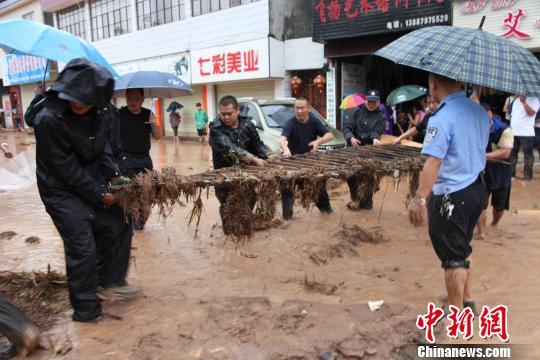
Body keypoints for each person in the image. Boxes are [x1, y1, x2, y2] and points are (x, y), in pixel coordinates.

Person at [25, 58, 138, 323]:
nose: (79, 104)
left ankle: (109, 284)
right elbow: (67, 170)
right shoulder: (48, 118)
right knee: (82, 246)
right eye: (74, 98)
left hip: (92, 178)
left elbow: (103, 148)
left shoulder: (102, 112)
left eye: (86, 101)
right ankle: (87, 312)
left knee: (120, 220)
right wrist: (101, 194)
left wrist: (115, 175)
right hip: (60, 189)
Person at [408, 73, 489, 311]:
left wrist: (420, 198)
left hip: (452, 195)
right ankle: (467, 299)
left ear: (433, 84)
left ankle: (455, 315)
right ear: (458, 82)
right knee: (462, 246)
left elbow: (434, 161)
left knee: (452, 259)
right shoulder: (479, 112)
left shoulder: (441, 117)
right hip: (478, 189)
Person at [209, 95, 271, 234]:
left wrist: (268, 154)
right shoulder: (215, 128)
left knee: (249, 202)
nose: (225, 117)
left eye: (229, 114)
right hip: (224, 175)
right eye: (222, 114)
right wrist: (253, 159)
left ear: (237, 111)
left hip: (247, 174)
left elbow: (257, 144)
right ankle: (230, 237)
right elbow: (229, 148)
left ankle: (245, 234)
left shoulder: (247, 124)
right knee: (227, 206)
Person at [279, 97, 334, 219]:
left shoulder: (313, 121)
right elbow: (282, 139)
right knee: (287, 190)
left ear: (308, 108)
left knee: (319, 191)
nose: (299, 111)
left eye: (302, 108)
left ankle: (327, 215)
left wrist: (318, 142)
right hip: (292, 164)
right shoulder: (290, 123)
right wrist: (286, 149)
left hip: (310, 163)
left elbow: (330, 135)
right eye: (297, 108)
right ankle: (287, 219)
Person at [118, 88, 162, 230]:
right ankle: (129, 222)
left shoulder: (148, 114)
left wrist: (154, 124)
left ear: (143, 99)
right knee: (129, 192)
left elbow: (157, 136)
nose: (133, 101)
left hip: (144, 160)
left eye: (137, 98)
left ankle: (141, 223)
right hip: (126, 159)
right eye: (130, 98)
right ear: (126, 98)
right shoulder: (120, 114)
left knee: (147, 192)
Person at [343, 89, 386, 211]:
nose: (371, 104)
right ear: (365, 101)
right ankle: (355, 199)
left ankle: (366, 203)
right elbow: (347, 127)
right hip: (354, 148)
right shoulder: (356, 112)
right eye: (369, 101)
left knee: (368, 177)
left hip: (369, 150)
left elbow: (377, 131)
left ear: (378, 102)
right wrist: (351, 138)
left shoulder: (381, 116)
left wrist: (375, 139)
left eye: (374, 102)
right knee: (351, 176)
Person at [476, 103, 514, 240]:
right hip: (482, 170)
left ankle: (494, 224)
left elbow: (505, 152)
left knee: (499, 206)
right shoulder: (474, 129)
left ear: (490, 114)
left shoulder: (505, 130)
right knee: (480, 203)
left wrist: (483, 155)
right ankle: (481, 232)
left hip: (501, 171)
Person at [509, 95, 539, 181]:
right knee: (512, 154)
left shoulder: (535, 99)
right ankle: (511, 174)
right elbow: (511, 114)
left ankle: (528, 176)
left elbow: (531, 113)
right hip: (514, 131)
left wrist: (524, 102)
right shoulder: (516, 99)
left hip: (526, 132)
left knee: (528, 155)